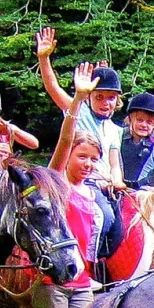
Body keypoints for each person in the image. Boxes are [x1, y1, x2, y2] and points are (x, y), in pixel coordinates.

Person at [36, 65, 111, 308]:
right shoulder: (56, 184)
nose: (87, 164)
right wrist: (79, 100)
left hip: (82, 282)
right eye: (82, 157)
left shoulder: (91, 191)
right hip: (51, 281)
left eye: (92, 159)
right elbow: (66, 138)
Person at [34, 27, 124, 188]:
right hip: (83, 181)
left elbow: (114, 164)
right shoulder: (78, 110)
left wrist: (117, 181)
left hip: (106, 185)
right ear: (89, 97)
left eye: (111, 98)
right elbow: (53, 87)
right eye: (99, 97)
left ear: (117, 100)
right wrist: (44, 58)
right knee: (105, 214)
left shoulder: (114, 129)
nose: (105, 103)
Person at [119, 93, 154, 190]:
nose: (144, 125)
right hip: (120, 191)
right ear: (130, 120)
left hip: (146, 195)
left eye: (149, 122)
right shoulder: (118, 139)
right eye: (140, 120)